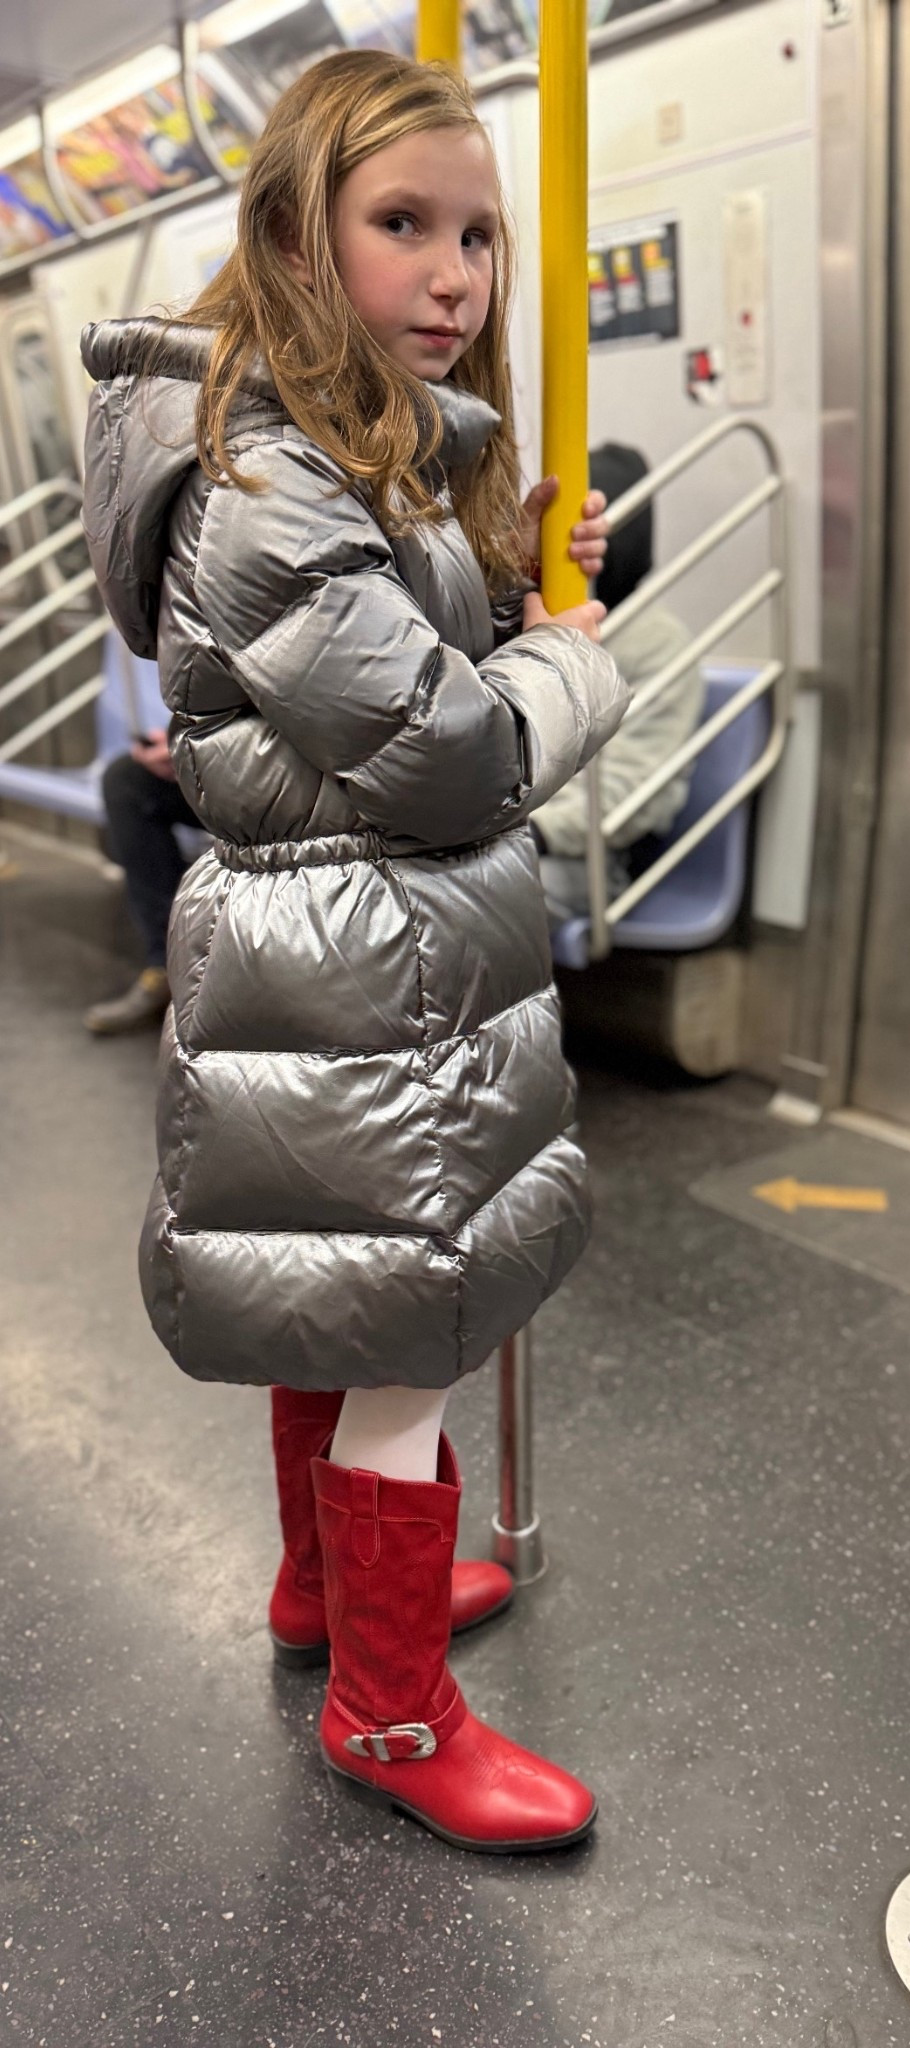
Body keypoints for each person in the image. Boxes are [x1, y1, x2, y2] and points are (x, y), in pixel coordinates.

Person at [80, 49, 629, 1854]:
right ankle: (390, 1718)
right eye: (404, 224)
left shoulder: (328, 455)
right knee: (406, 1332)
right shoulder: (260, 482)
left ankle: (329, 1597)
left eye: (477, 232)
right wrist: (573, 655)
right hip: (358, 954)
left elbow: (405, 644)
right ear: (293, 239)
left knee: (346, 1297)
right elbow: (454, 750)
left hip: (347, 948)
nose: (459, 273)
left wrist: (521, 566)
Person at [532, 441, 704, 927]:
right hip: (504, 834)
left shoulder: (657, 645)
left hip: (578, 858)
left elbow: (634, 788)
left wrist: (535, 831)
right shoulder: (539, 618)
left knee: (470, 901)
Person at [84, 733, 202, 1034]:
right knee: (128, 778)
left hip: (306, 771)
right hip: (231, 761)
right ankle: (168, 966)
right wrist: (181, 742)